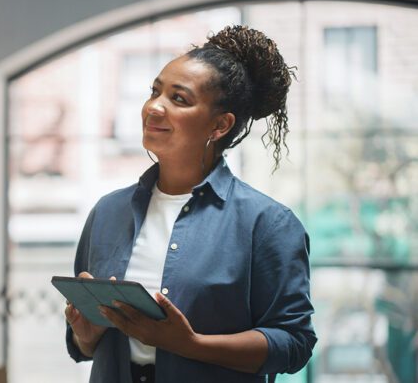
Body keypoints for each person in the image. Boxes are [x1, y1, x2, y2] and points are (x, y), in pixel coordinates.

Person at [64, 25, 317, 383]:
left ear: (219, 125)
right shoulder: (107, 212)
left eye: (178, 99)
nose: (154, 107)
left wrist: (190, 344)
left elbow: (294, 342)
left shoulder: (268, 224)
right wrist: (86, 336)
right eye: (155, 91)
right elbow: (86, 346)